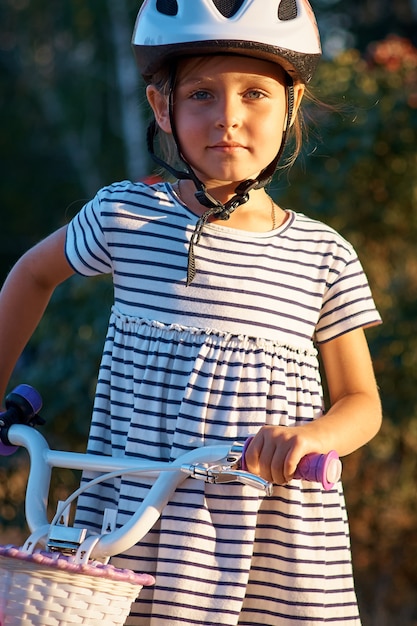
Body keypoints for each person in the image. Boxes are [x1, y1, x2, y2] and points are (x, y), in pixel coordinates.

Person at [0, 1, 382, 624]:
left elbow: (362, 403)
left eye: (255, 93)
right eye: (201, 94)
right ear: (161, 107)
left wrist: (312, 437)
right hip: (135, 516)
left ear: (291, 107)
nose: (227, 118)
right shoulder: (127, 215)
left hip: (268, 534)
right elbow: (32, 274)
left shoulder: (324, 255)